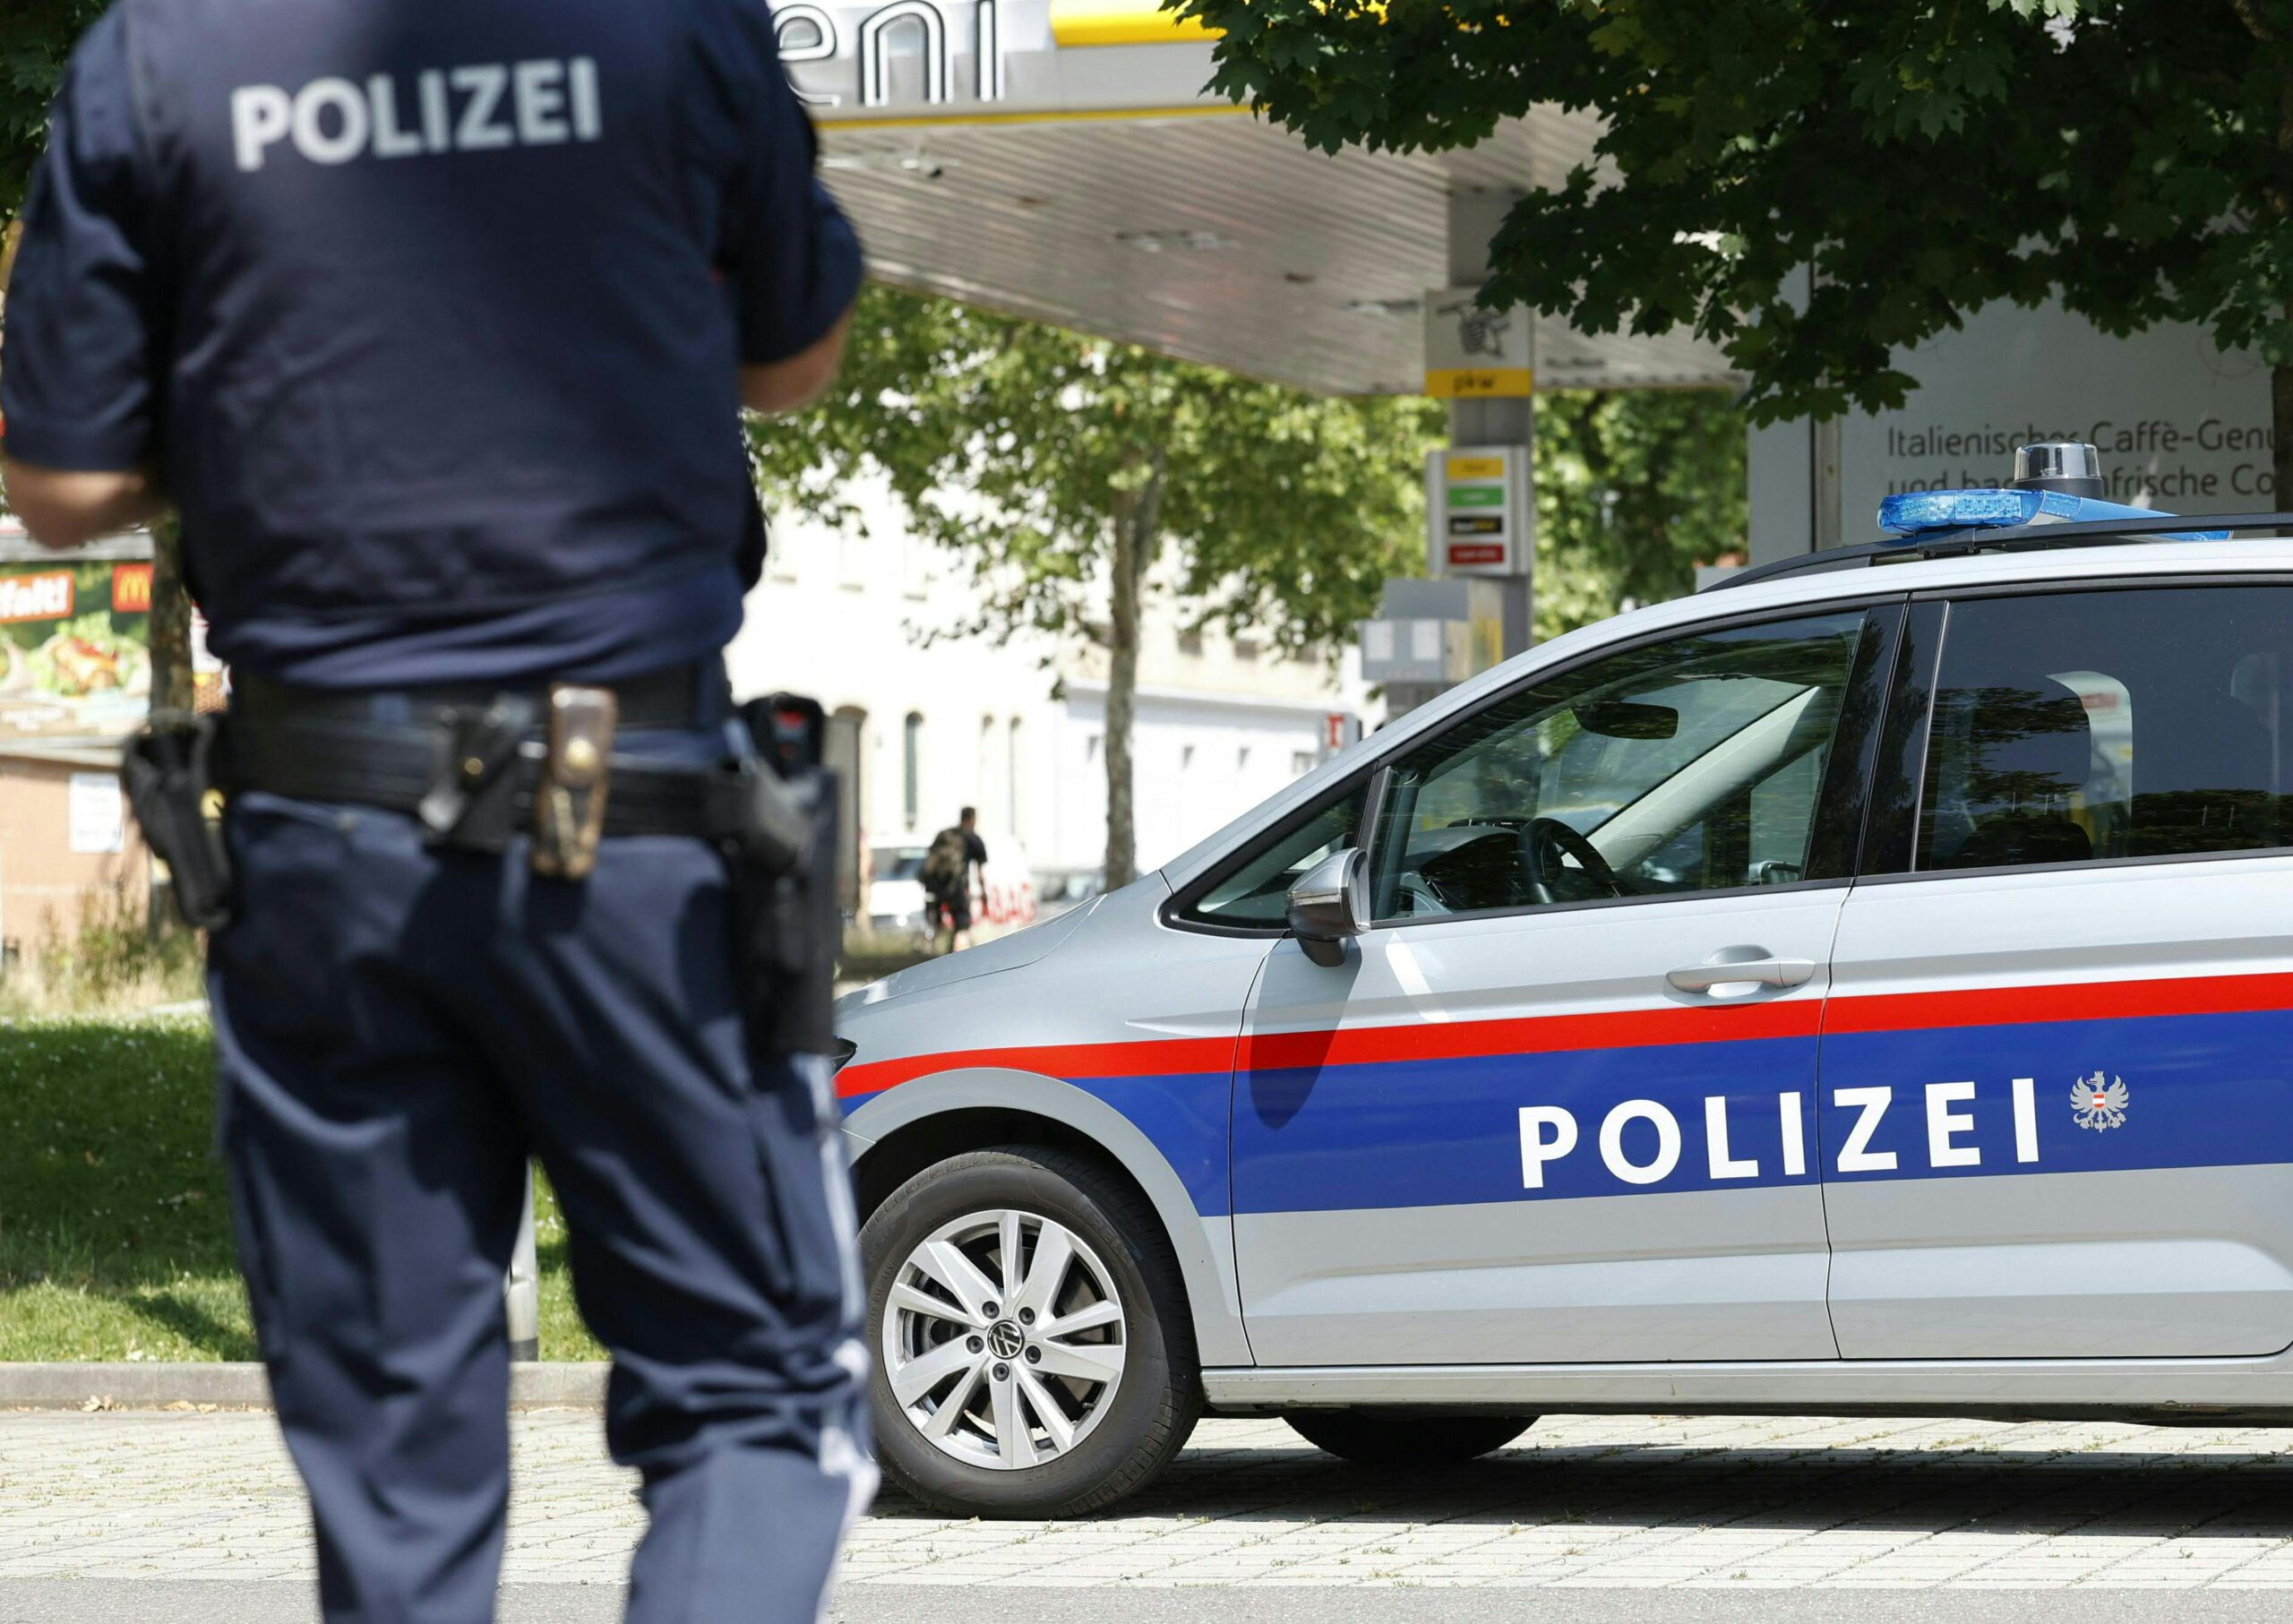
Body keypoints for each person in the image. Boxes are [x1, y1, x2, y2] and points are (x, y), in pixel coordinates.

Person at [0, 4, 871, 1622]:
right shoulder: (674, 21)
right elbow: (794, 356)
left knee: (395, 1462)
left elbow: (58, 483)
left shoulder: (161, 52)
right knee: (752, 1395)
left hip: (318, 839)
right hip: (631, 826)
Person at [920, 805, 988, 952]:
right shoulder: (973, 839)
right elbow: (980, 872)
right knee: (962, 923)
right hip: (956, 887)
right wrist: (984, 892)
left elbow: (930, 859)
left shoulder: (944, 835)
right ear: (973, 819)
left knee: (934, 921)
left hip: (934, 886)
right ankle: (958, 954)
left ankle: (928, 953)